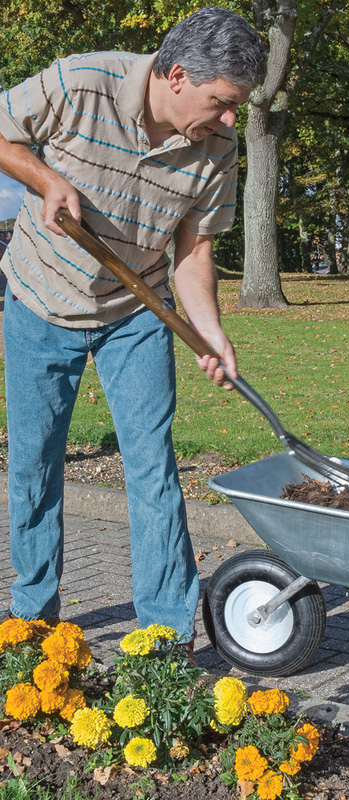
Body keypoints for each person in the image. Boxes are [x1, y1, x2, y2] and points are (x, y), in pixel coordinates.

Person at [0, 6, 266, 644]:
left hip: (135, 312)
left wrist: (210, 333)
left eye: (237, 106)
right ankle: (33, 620)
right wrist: (44, 177)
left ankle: (166, 639)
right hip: (39, 299)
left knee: (152, 467)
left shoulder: (218, 147)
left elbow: (193, 254)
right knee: (35, 464)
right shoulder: (81, 82)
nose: (230, 119)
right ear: (176, 76)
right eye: (222, 102)